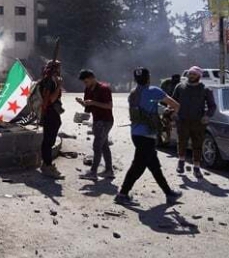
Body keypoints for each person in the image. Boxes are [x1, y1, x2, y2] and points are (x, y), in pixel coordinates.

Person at [115, 68, 183, 207]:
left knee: (154, 166)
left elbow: (147, 106)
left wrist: (161, 109)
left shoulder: (133, 93)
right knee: (138, 166)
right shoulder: (154, 91)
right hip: (147, 135)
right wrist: (171, 114)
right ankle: (122, 194)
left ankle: (169, 193)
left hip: (136, 134)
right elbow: (176, 105)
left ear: (135, 79)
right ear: (148, 78)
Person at [173, 66, 217, 179]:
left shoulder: (206, 89)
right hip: (182, 120)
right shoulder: (180, 87)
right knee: (181, 142)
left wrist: (207, 116)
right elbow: (173, 101)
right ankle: (181, 162)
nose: (191, 76)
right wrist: (173, 111)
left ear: (199, 76)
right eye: (190, 74)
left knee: (197, 145)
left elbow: (212, 106)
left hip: (198, 122)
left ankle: (196, 168)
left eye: (194, 74)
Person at [76, 70, 115, 181]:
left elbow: (109, 106)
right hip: (97, 121)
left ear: (92, 78)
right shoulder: (88, 89)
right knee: (104, 145)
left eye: (86, 81)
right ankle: (109, 170)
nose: (85, 84)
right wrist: (82, 103)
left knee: (97, 146)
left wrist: (93, 102)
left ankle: (93, 172)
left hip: (105, 121)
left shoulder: (104, 89)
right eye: (84, 82)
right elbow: (88, 109)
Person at [39, 60, 64, 180]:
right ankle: (47, 166)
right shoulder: (48, 81)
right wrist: (59, 86)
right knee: (48, 141)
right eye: (58, 68)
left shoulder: (49, 80)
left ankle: (46, 164)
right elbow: (50, 100)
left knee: (49, 140)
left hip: (52, 114)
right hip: (50, 114)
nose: (59, 70)